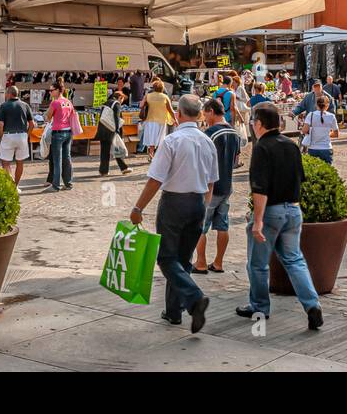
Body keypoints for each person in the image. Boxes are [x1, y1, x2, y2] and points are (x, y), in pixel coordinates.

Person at [128, 94, 217, 333]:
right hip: (197, 203)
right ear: (199, 115)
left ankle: (194, 298)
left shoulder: (172, 141)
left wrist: (138, 208)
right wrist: (204, 207)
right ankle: (173, 311)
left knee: (167, 258)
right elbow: (211, 183)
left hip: (174, 203)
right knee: (182, 261)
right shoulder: (207, 142)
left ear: (178, 114)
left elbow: (155, 179)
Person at [237, 101, 324, 330]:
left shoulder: (262, 148)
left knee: (258, 264)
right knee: (295, 260)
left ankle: (259, 307)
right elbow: (300, 180)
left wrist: (257, 221)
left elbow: (260, 188)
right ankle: (312, 304)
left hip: (271, 212)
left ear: (259, 124)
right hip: (293, 209)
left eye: (253, 122)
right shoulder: (291, 145)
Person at [193, 97, 239, 275]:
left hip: (210, 187)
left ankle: (201, 262)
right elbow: (235, 161)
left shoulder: (210, 133)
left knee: (200, 226)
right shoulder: (234, 133)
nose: (204, 117)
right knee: (223, 225)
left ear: (211, 111)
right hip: (227, 185)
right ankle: (218, 262)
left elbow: (200, 160)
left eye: (205, 113)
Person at [0, 87, 34, 186]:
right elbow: (32, 124)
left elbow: (0, 124)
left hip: (8, 135)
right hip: (22, 135)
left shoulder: (4, 106)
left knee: (5, 163)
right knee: (20, 163)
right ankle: (16, 185)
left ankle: (10, 183)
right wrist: (27, 135)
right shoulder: (25, 105)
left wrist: (1, 136)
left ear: (9, 94)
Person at [45, 84, 77, 191]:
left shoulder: (55, 102)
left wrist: (49, 117)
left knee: (57, 159)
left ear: (58, 90)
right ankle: (68, 183)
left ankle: (56, 185)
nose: (50, 92)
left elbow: (48, 116)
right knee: (67, 158)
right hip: (68, 131)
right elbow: (72, 114)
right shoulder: (68, 102)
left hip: (58, 132)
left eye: (51, 90)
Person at [139, 79, 175, 161]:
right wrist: (175, 120)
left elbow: (141, 105)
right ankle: (158, 156)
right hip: (162, 121)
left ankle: (151, 154)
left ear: (154, 88)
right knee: (160, 140)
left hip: (150, 120)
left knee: (152, 139)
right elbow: (171, 110)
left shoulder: (148, 95)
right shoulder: (165, 97)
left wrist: (146, 102)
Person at [300, 94, 339, 164]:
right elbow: (336, 134)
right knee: (327, 172)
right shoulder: (331, 116)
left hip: (313, 148)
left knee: (313, 171)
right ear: (327, 105)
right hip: (326, 148)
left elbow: (305, 130)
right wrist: (326, 134)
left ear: (316, 105)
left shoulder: (310, 115)